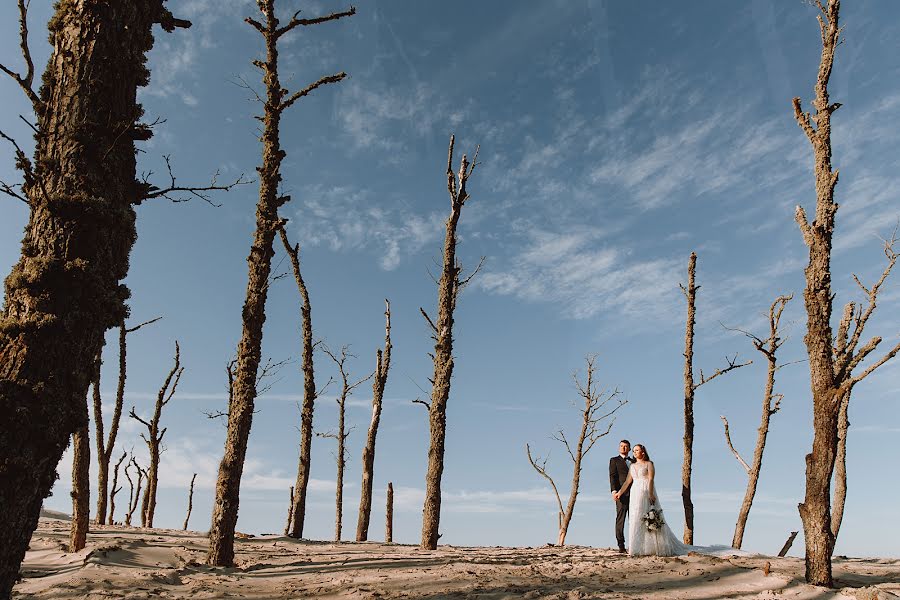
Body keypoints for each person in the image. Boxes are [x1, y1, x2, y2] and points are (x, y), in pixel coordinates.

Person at [614, 444, 687, 556]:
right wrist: (619, 493)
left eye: (637, 450)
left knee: (648, 517)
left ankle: (653, 547)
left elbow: (651, 479)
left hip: (646, 490)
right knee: (636, 518)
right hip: (635, 492)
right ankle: (636, 548)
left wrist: (651, 494)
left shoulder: (649, 464)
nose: (634, 452)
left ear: (643, 452)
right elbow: (628, 482)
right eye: (633, 451)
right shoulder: (632, 466)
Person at [608, 439, 633, 553]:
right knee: (620, 520)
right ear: (619, 448)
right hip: (621, 494)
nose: (623, 448)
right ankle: (621, 545)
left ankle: (634, 545)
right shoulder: (614, 460)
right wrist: (614, 491)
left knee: (634, 520)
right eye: (621, 446)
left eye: (626, 446)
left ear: (629, 449)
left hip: (635, 494)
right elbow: (612, 477)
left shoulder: (634, 461)